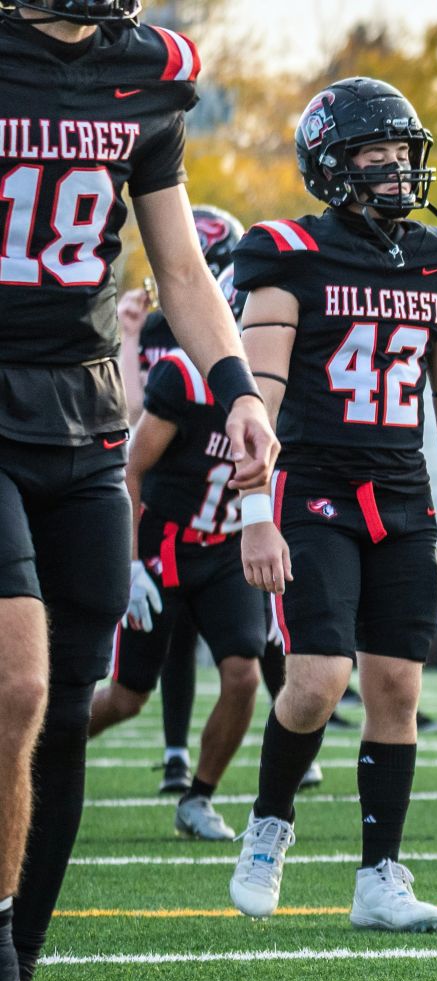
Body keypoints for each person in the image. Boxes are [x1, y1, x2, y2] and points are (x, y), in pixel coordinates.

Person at [0, 5, 279, 981]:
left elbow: (182, 268)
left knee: (63, 712)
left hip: (82, 417)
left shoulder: (149, 73)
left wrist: (238, 390)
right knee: (17, 686)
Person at [228, 76, 437, 934]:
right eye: (373, 154)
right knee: (316, 679)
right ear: (332, 166)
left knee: (396, 688)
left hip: (402, 495)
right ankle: (269, 824)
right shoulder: (289, 253)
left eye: (402, 153)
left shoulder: (436, 261)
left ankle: (380, 874)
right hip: (314, 486)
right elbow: (256, 397)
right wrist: (255, 513)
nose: (394, 170)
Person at [89, 205, 264, 843]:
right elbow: (130, 471)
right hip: (166, 543)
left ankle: (199, 797)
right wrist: (130, 563)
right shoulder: (185, 374)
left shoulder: (277, 379)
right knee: (128, 696)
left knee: (244, 673)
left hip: (225, 548)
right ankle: (42, 750)